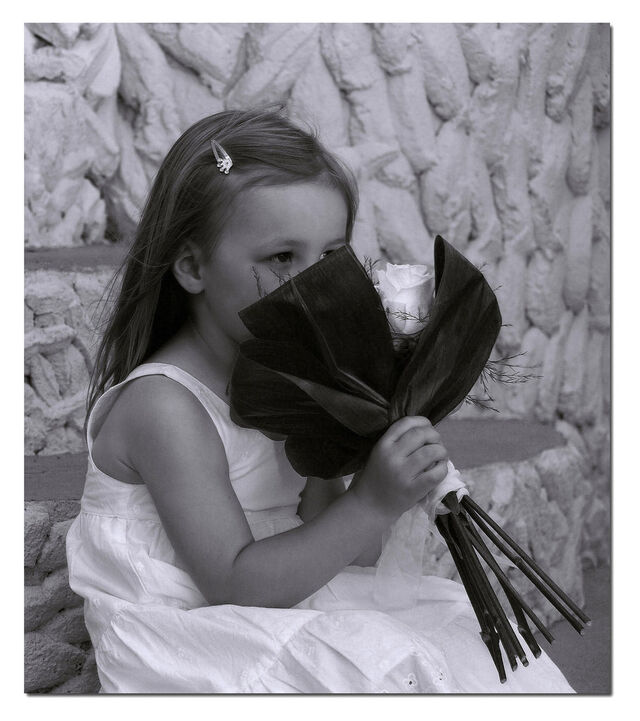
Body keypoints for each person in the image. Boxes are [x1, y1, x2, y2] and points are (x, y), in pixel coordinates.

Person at [66, 108, 574, 693]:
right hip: (191, 637)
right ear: (192, 267)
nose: (315, 286)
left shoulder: (288, 377)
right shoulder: (165, 407)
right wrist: (372, 502)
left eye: (331, 258)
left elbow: (349, 555)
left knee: (464, 640)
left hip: (275, 605)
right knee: (393, 666)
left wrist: (372, 446)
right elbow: (234, 584)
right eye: (282, 257)